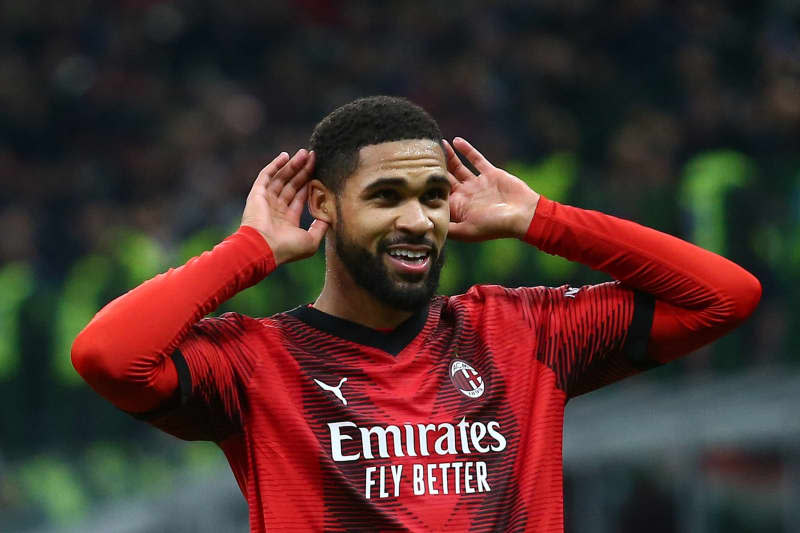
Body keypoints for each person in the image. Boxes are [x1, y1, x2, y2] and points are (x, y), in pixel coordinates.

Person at [72, 96, 761, 532]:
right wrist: (250, 250)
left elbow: (725, 296)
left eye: (434, 195)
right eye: (387, 196)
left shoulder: (523, 332)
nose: (418, 220)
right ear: (322, 203)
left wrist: (540, 219)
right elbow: (108, 354)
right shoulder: (255, 364)